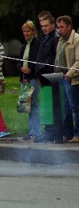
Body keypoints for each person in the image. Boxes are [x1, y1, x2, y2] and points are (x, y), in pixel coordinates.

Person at [34, 11, 59, 143]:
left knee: (52, 107)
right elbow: (40, 58)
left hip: (50, 77)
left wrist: (43, 74)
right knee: (46, 107)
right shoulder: (45, 38)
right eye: (42, 26)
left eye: (46, 25)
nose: (44, 28)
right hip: (43, 77)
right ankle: (48, 131)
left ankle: (52, 132)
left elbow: (53, 59)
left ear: (53, 24)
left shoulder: (55, 38)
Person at [55, 15, 79, 143]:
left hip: (73, 79)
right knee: (66, 108)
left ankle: (77, 134)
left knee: (75, 107)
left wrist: (69, 74)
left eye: (62, 27)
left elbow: (78, 61)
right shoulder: (61, 40)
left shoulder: (76, 39)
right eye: (58, 27)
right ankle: (68, 133)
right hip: (62, 77)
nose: (59, 30)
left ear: (69, 26)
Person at [17, 20, 41, 140]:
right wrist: (21, 68)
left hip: (33, 78)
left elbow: (37, 61)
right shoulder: (23, 46)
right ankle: (32, 130)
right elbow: (18, 62)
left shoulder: (37, 45)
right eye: (24, 31)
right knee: (26, 106)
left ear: (33, 32)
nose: (26, 33)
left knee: (34, 104)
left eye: (28, 31)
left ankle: (36, 131)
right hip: (24, 79)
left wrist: (30, 69)